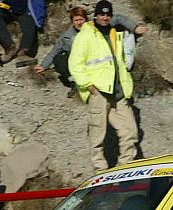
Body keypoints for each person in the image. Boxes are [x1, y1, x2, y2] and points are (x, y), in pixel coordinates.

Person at [69, 0, 139, 171]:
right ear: (95, 16)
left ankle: (125, 167)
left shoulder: (115, 33)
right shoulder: (85, 35)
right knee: (97, 132)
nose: (105, 17)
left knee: (130, 131)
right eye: (101, 14)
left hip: (118, 90)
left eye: (108, 14)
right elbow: (75, 64)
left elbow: (119, 61)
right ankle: (99, 168)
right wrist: (89, 86)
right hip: (99, 91)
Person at [34, 6, 148, 98]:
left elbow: (118, 18)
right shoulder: (66, 37)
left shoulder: (98, 25)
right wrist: (43, 65)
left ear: (86, 19)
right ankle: (75, 83)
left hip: (98, 63)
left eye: (81, 19)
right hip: (79, 64)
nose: (79, 23)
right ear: (72, 22)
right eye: (76, 20)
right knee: (59, 59)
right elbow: (54, 51)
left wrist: (135, 28)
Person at [0, 0, 45, 67]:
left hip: (24, 10)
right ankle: (10, 48)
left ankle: (23, 53)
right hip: (5, 9)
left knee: (29, 25)